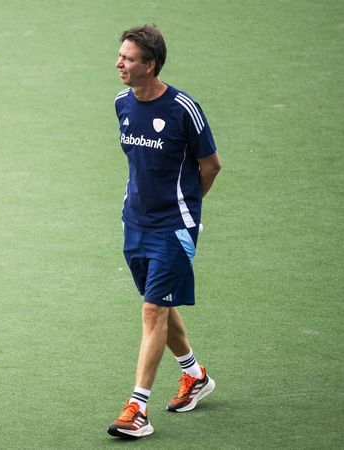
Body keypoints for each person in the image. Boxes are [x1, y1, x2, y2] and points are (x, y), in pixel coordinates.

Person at [107, 24, 222, 439]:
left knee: (152, 309)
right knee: (160, 304)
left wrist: (187, 209)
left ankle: (138, 409)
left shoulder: (183, 109)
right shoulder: (122, 103)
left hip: (173, 228)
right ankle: (195, 376)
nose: (119, 63)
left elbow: (211, 166)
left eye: (128, 58)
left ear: (150, 65)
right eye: (120, 55)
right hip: (134, 223)